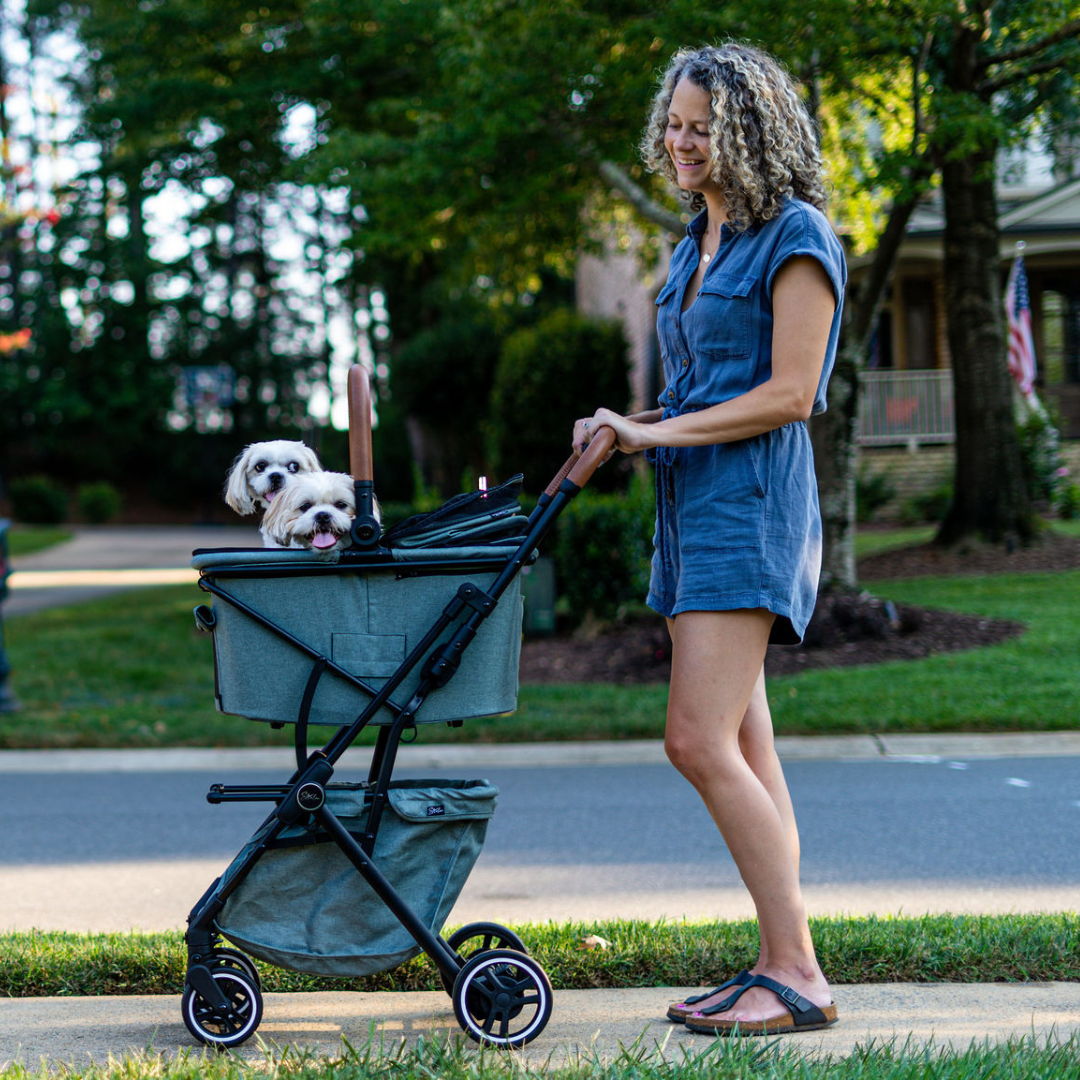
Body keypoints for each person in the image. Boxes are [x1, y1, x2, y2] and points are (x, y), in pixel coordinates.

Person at [573, 42, 846, 1036]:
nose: (681, 143)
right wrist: (624, 429)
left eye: (702, 125)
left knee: (694, 738)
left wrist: (653, 432)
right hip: (691, 510)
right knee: (741, 744)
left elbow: (788, 393)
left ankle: (802, 973)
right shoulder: (697, 246)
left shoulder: (795, 237)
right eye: (675, 124)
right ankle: (780, 961)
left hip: (752, 509)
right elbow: (688, 394)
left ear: (752, 130)